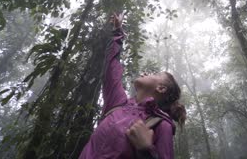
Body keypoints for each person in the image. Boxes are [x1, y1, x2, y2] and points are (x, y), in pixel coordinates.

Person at [79, 13, 186, 159]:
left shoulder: (161, 126)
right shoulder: (117, 103)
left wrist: (146, 150)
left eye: (155, 73)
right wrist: (118, 32)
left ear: (161, 88)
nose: (146, 72)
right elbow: (112, 67)